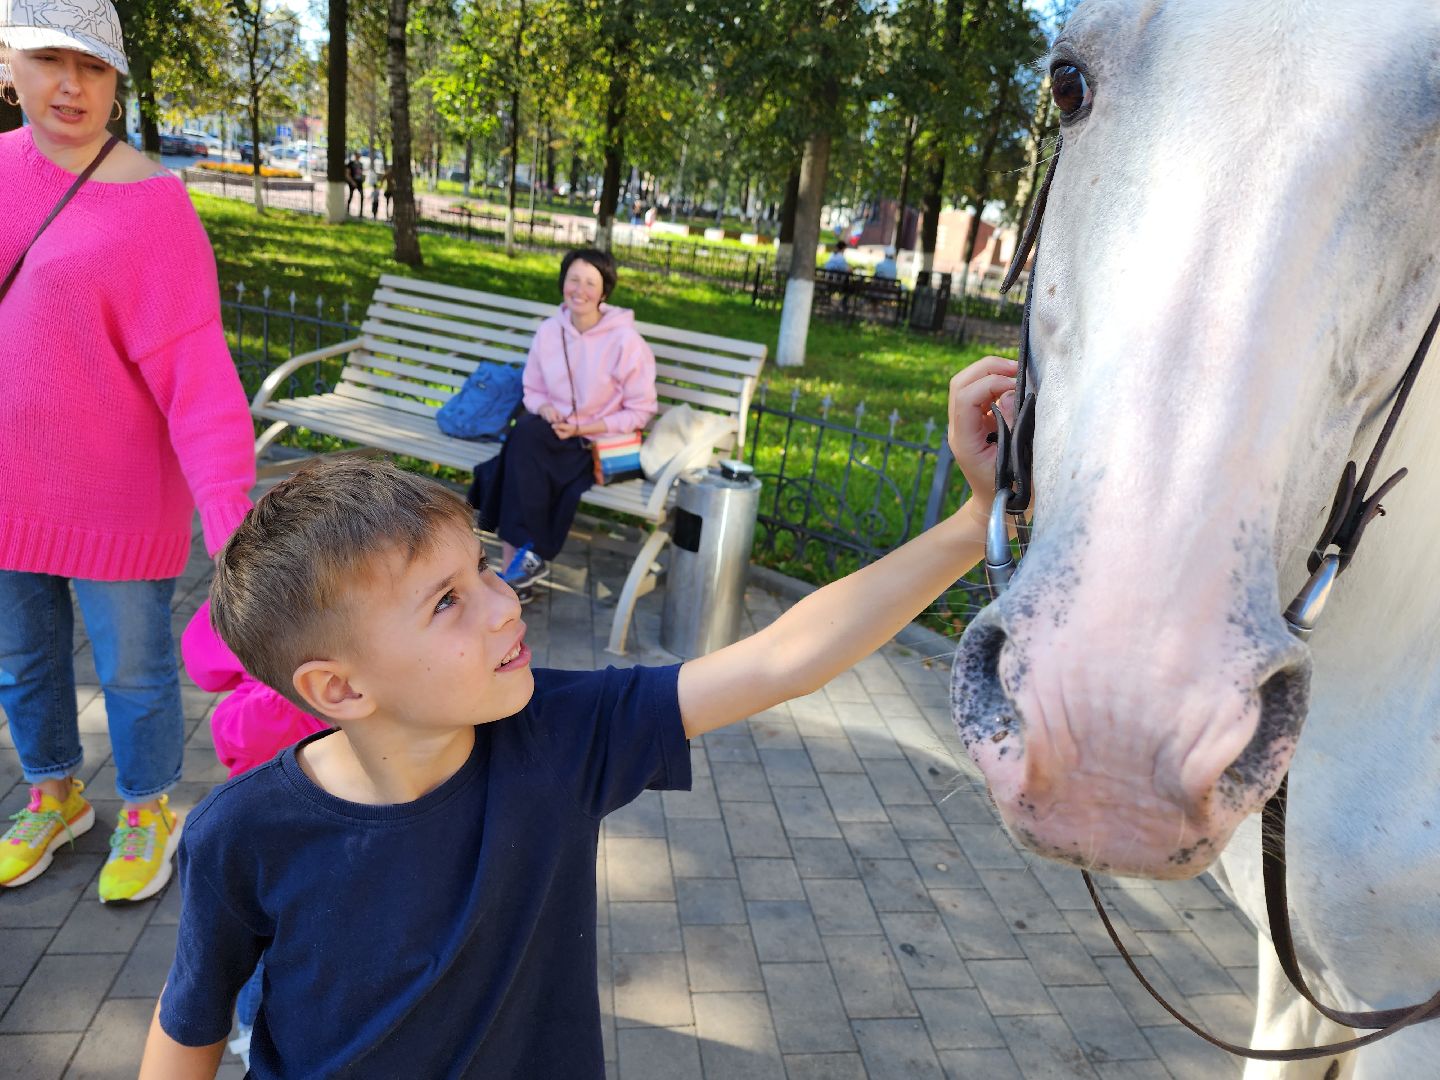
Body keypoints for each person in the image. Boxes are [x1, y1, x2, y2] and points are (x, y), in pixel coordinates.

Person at [137, 356, 1018, 1077]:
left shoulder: (562, 736)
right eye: (447, 602)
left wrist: (975, 518)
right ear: (339, 690)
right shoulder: (241, 835)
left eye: (484, 568)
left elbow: (781, 658)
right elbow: (189, 1029)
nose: (504, 603)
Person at [0, 0, 256, 903]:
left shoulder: (155, 204)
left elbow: (199, 372)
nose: (71, 84)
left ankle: (149, 806)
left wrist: (232, 515)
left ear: (116, 82)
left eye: (95, 67)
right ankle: (53, 794)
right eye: (49, 59)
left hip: (117, 503)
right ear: (8, 64)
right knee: (21, 661)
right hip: (7, 492)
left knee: (136, 674)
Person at [181, 601, 328, 1067]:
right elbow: (208, 664)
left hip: (337, 836)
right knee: (267, 944)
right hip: (278, 844)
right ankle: (252, 1028)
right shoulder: (261, 699)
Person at [469, 248, 656, 597]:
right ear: (562, 282)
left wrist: (584, 427)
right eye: (573, 279)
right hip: (553, 431)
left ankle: (521, 561)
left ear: (604, 292)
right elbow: (533, 390)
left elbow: (641, 410)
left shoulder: (626, 342)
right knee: (524, 434)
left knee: (513, 457)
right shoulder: (549, 332)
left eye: (590, 282)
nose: (580, 289)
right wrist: (546, 409)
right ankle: (522, 565)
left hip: (597, 441)